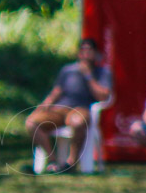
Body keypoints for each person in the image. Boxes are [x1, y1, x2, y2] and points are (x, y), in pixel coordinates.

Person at [25, 38, 111, 174]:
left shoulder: (102, 72)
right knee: (31, 123)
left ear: (96, 53)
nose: (86, 54)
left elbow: (103, 96)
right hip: (59, 109)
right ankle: (52, 161)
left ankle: (70, 164)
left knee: (78, 123)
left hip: (80, 109)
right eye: (83, 50)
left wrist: (88, 75)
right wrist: (45, 105)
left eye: (89, 50)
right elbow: (56, 92)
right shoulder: (67, 70)